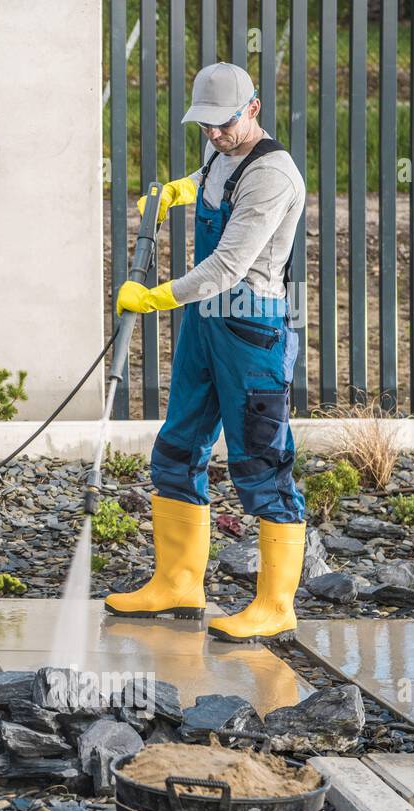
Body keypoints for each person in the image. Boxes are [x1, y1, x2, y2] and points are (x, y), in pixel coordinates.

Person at [106, 62, 307, 643]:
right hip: (206, 323)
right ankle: (177, 583)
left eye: (223, 125)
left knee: (261, 460)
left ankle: (275, 604)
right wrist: (178, 189)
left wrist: (155, 298)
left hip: (252, 327)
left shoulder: (274, 176)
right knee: (178, 442)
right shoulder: (222, 153)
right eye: (206, 127)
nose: (214, 135)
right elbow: (211, 181)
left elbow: (227, 267)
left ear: (253, 109)